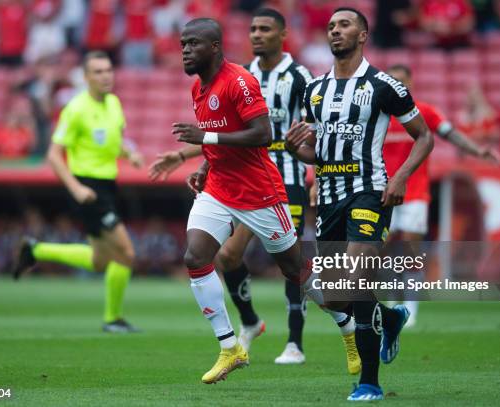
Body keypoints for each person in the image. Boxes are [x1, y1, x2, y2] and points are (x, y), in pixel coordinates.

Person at [149, 8, 360, 371]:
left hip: (261, 191)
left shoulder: (241, 81)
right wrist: (204, 163)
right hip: (219, 188)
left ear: (214, 47)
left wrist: (205, 138)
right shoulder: (198, 85)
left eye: (192, 44)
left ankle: (349, 328)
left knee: (296, 271)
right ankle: (230, 346)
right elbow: (220, 136)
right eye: (182, 44)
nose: (184, 50)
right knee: (196, 257)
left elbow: (262, 134)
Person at [285, 8, 434, 401]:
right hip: (330, 196)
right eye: (331, 26)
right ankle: (390, 315)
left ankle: (369, 381)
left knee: (356, 279)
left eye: (344, 25)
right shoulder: (314, 90)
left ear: (363, 34)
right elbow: (317, 154)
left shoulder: (384, 85)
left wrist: (400, 177)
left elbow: (424, 137)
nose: (336, 31)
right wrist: (294, 149)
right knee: (332, 296)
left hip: (369, 191)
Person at [12, 51, 144, 333]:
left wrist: (128, 154)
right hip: (88, 188)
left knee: (99, 261)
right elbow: (53, 155)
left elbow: (113, 139)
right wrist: (76, 188)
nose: (105, 75)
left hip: (108, 186)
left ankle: (36, 250)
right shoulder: (76, 109)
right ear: (85, 78)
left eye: (108, 70)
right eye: (97, 72)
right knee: (126, 253)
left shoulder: (114, 103)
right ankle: (113, 319)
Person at [383, 64, 500, 326]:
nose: (397, 85)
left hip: (414, 194)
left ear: (411, 83)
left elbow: (452, 134)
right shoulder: (378, 115)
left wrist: (478, 151)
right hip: (382, 196)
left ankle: (410, 308)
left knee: (410, 251)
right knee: (385, 252)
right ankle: (392, 303)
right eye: (392, 81)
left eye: (401, 80)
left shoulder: (423, 112)